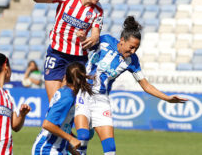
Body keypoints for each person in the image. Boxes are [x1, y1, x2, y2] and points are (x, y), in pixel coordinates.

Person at [74, 16, 188, 155]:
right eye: (132, 47)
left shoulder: (132, 61)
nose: (133, 51)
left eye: (136, 48)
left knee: (110, 149)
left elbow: (146, 85)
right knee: (83, 137)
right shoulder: (105, 40)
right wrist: (82, 38)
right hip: (84, 93)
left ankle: (90, 125)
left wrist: (167, 98)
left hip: (102, 100)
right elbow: (86, 45)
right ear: (122, 41)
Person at [29, 0, 132, 102]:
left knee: (67, 101)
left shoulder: (98, 11)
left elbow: (95, 35)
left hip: (77, 59)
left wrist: (88, 39)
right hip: (56, 54)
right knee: (54, 102)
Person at [32, 62, 93, 155]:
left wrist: (73, 151)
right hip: (47, 149)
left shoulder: (68, 93)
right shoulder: (67, 97)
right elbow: (47, 124)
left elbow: (63, 128)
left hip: (58, 149)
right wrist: (71, 138)